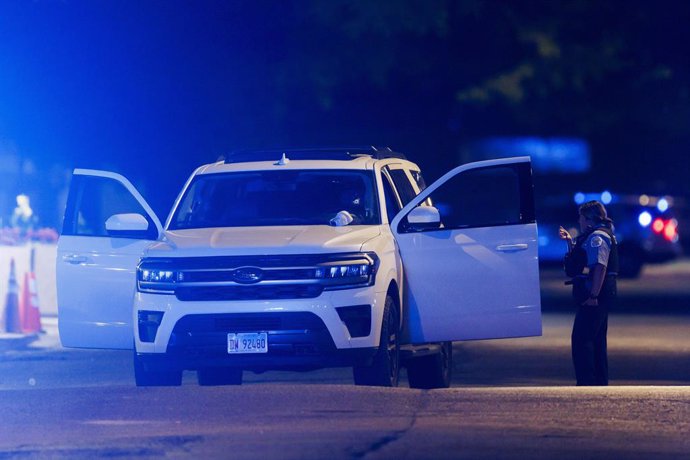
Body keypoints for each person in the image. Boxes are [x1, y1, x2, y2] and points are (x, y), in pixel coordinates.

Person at [559, 200, 618, 386]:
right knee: (597, 338)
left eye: (581, 218)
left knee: (582, 338)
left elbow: (599, 268)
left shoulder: (597, 238)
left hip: (596, 293)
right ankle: (599, 381)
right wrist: (570, 242)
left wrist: (593, 296)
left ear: (589, 219)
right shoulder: (598, 235)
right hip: (602, 291)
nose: (579, 221)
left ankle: (587, 381)